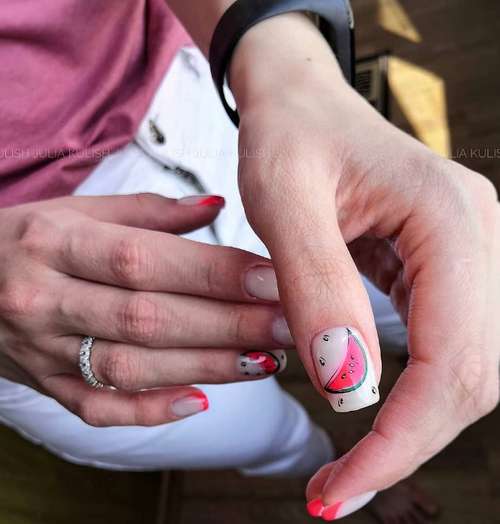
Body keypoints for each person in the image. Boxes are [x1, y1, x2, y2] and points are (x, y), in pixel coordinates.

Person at [0, 1, 498, 522]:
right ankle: (330, 468)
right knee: (259, 434)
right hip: (36, 293)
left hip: (214, 97)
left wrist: (284, 63)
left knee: (416, 304)